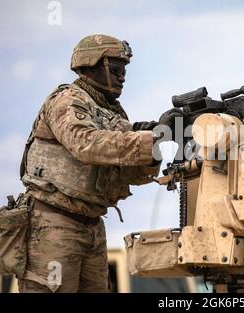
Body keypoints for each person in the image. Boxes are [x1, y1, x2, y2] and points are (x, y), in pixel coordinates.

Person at [18, 34, 182, 292]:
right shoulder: (68, 100)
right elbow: (86, 144)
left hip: (91, 225)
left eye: (124, 70)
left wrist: (159, 143)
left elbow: (133, 175)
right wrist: (149, 138)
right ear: (92, 65)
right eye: (116, 69)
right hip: (54, 224)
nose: (122, 76)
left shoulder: (110, 112)